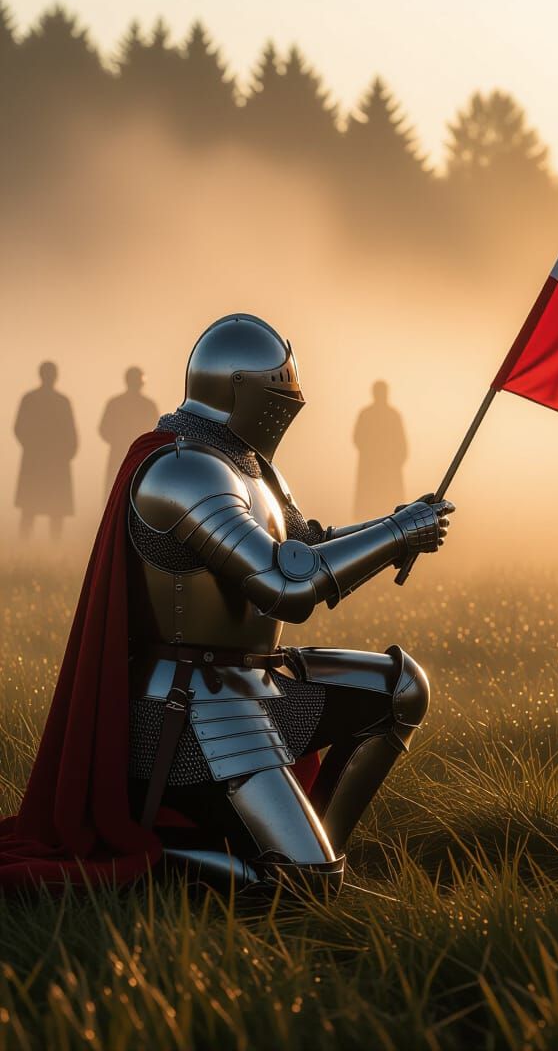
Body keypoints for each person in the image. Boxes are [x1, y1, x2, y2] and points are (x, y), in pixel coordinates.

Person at [0, 314, 453, 898]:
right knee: (303, 887)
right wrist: (396, 532)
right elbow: (283, 589)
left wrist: (399, 526)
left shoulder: (245, 464)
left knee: (400, 688)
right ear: (237, 389)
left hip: (250, 682)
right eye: (277, 395)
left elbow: (302, 549)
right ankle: (162, 868)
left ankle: (317, 848)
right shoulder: (185, 470)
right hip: (192, 707)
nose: (287, 408)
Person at [13, 360, 78, 539]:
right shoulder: (58, 401)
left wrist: (68, 451)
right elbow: (19, 428)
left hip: (44, 458)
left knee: (47, 507)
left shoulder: (32, 399)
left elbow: (19, 428)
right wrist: (68, 451)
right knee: (34, 506)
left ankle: (33, 545)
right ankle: (29, 545)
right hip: (47, 458)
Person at [99, 366, 159, 497]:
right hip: (135, 452)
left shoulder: (116, 403)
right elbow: (104, 428)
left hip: (136, 452)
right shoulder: (147, 405)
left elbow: (104, 428)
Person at [353, 380, 408, 519]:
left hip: (388, 470)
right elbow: (358, 438)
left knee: (389, 505)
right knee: (369, 507)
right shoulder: (368, 414)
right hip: (372, 470)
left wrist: (396, 461)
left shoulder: (391, 415)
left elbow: (402, 444)